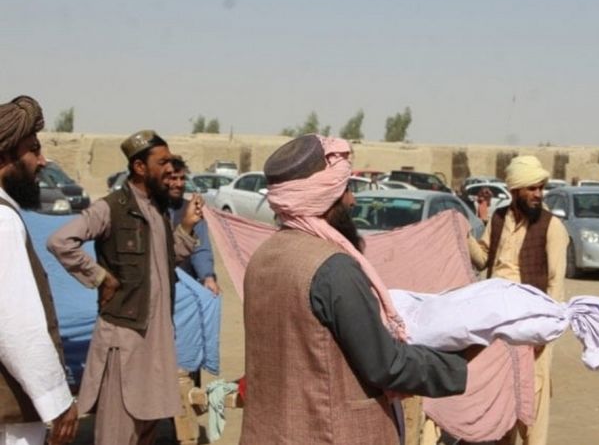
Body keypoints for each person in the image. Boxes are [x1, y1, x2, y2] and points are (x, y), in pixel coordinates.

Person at [240, 134, 467, 445]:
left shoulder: (263, 257)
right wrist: (462, 362)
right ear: (325, 196)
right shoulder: (333, 268)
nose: (352, 201)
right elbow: (386, 365)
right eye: (346, 189)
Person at [47, 130, 203, 444]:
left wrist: (186, 227)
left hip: (156, 341)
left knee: (147, 429)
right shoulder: (111, 208)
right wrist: (99, 277)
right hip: (125, 340)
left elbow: (161, 262)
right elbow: (60, 241)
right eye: (162, 162)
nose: (170, 169)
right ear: (139, 167)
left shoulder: (157, 209)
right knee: (118, 433)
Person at [467, 155, 569, 445]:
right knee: (501, 393)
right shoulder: (499, 218)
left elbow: (556, 284)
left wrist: (544, 331)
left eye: (541, 188)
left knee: (534, 394)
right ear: (515, 190)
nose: (538, 194)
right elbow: (483, 259)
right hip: (497, 323)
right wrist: (464, 235)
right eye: (531, 188)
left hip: (532, 325)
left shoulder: (552, 227)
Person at [0, 96, 78, 445]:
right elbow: (16, 326)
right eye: (33, 150)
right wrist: (58, 402)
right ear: (4, 157)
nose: (42, 161)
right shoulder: (3, 221)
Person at [167, 156, 219, 295]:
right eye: (173, 178)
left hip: (185, 286)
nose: (179, 184)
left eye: (182, 178)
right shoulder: (152, 210)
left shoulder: (192, 210)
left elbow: (201, 248)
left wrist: (207, 277)